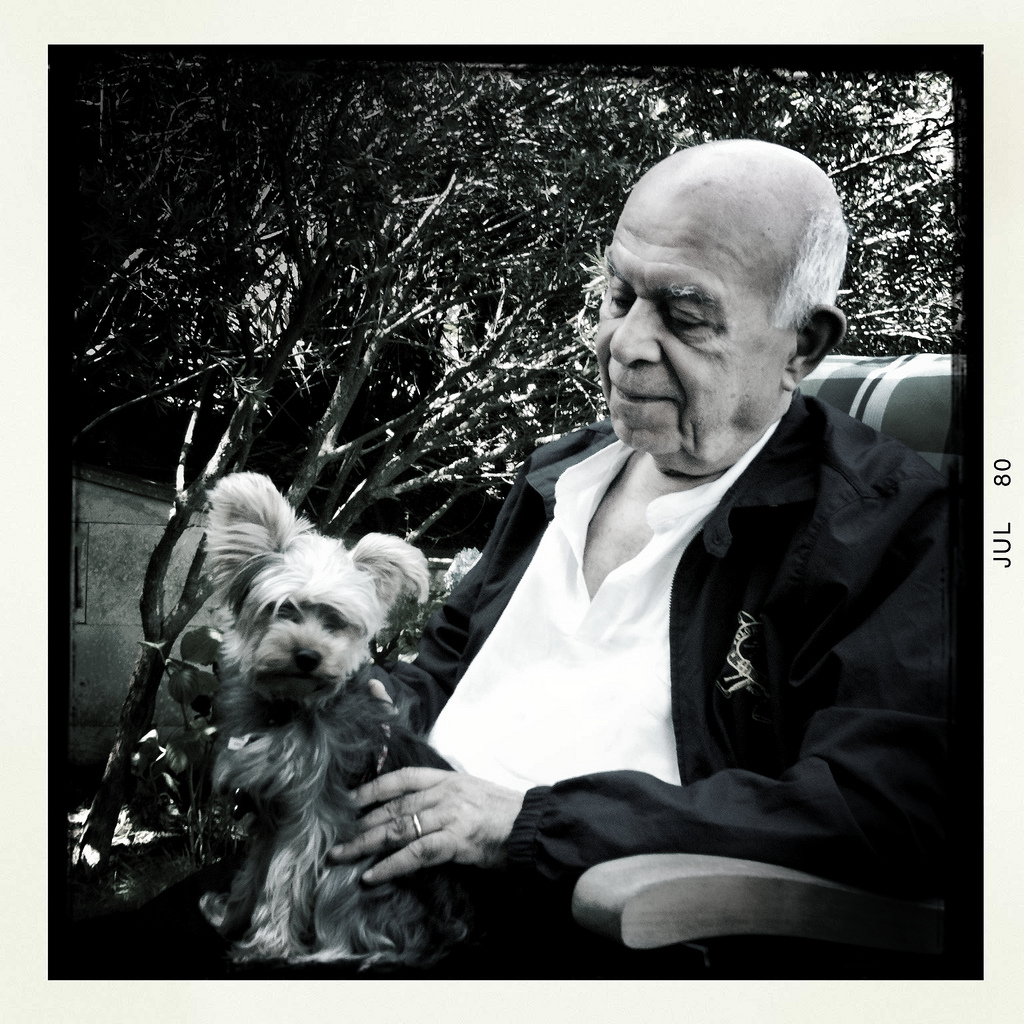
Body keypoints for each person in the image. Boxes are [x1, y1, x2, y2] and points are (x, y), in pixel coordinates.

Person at [327, 139, 948, 918]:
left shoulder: (892, 528)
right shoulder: (561, 475)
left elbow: (880, 811)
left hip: (580, 928)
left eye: (684, 317)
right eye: (619, 296)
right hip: (379, 877)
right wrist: (342, 710)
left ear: (802, 345)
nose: (623, 344)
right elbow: (444, 670)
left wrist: (529, 826)